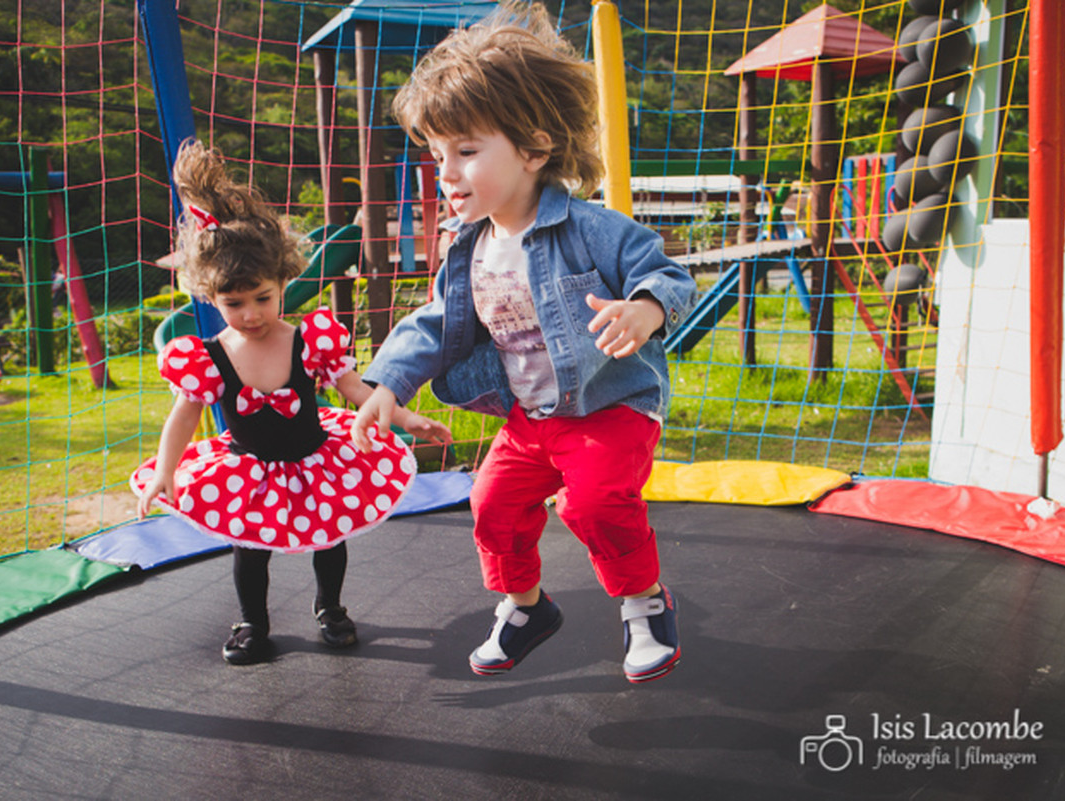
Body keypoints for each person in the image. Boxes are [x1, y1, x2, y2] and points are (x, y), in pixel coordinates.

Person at [350, 3, 697, 683]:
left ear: (534, 150)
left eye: (468, 151)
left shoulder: (590, 228)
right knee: (492, 506)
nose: (446, 172)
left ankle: (644, 604)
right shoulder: (469, 247)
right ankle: (526, 606)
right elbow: (434, 322)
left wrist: (645, 310)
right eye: (437, 154)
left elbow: (666, 271)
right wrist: (386, 382)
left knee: (593, 503)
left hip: (609, 407)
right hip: (532, 420)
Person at [133, 140, 451, 665]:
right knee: (249, 550)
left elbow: (356, 392)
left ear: (283, 283)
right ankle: (251, 623)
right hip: (249, 469)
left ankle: (330, 607)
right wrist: (166, 469)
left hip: (314, 459)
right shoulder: (208, 356)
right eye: (234, 304)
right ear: (211, 299)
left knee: (329, 538)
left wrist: (406, 417)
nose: (252, 314)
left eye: (262, 298)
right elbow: (183, 417)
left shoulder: (310, 339)